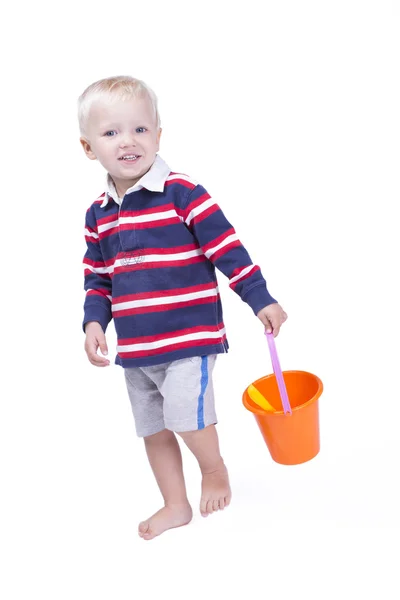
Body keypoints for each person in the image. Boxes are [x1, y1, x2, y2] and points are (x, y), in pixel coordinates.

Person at [78, 76, 288, 541]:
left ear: (158, 135)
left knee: (187, 417)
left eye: (140, 129)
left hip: (188, 336)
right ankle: (175, 504)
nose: (128, 141)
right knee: (153, 430)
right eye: (111, 133)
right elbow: (98, 276)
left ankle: (213, 469)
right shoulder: (97, 213)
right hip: (136, 348)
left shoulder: (182, 192)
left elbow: (227, 248)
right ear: (89, 147)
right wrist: (95, 321)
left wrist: (260, 298)